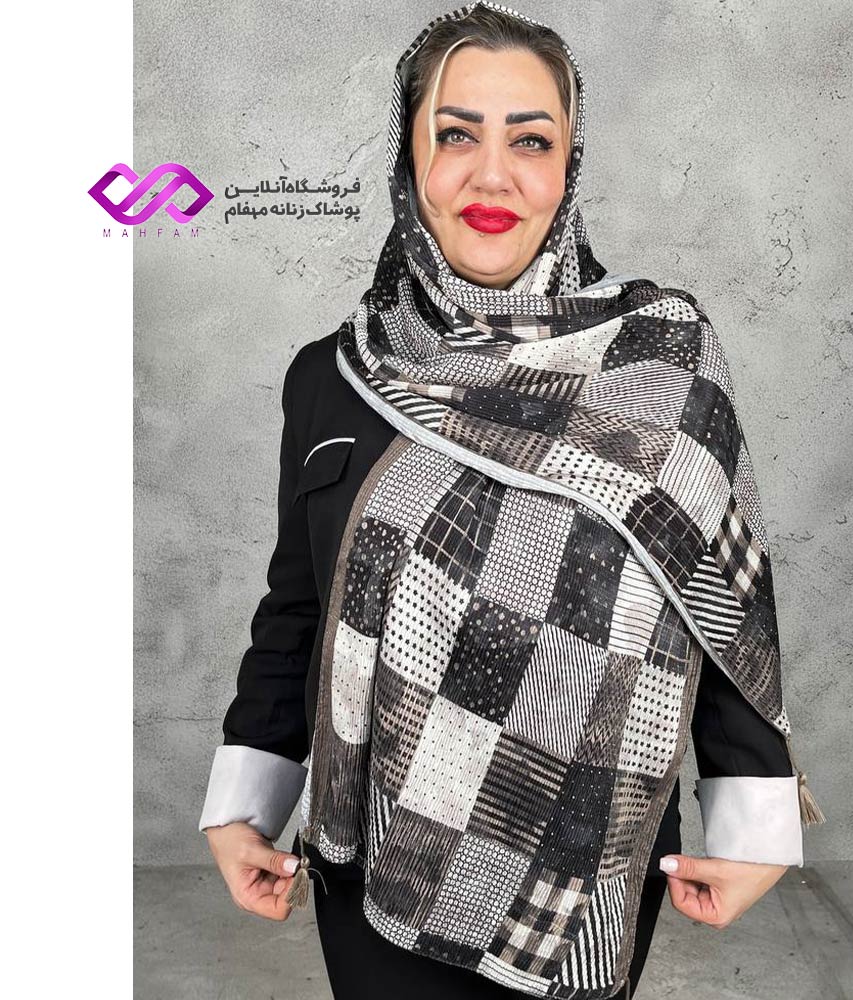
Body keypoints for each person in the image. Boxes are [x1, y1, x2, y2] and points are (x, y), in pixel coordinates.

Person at [199, 4, 819, 998]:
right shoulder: (338, 375)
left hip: (584, 870)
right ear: (409, 158)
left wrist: (753, 819)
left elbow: (724, 596)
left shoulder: (662, 361)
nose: (493, 175)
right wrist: (244, 801)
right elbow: (297, 608)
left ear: (570, 165)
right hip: (373, 860)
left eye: (530, 140)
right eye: (456, 135)